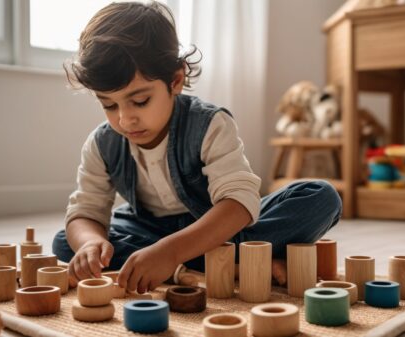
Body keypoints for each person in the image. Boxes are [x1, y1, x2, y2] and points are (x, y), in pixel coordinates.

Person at [53, 1, 342, 294]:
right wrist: (91, 243)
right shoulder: (102, 144)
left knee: (321, 197)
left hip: (217, 228)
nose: (125, 119)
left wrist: (171, 251)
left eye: (140, 101)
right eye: (109, 105)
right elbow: (86, 211)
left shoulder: (209, 124)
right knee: (67, 242)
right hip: (148, 230)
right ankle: (229, 264)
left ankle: (186, 262)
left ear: (175, 80)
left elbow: (238, 204)